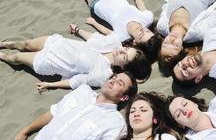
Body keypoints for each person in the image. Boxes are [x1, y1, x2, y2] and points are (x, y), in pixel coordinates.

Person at [0, 72, 138, 140]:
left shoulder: (114, 124)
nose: (113, 80)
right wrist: (26, 130)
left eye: (120, 83)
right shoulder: (82, 91)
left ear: (124, 98)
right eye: (114, 77)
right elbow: (53, 113)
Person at [0, 31, 151, 91]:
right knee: (26, 44)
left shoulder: (102, 74)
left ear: (124, 67)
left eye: (124, 56)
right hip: (57, 43)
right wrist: (78, 30)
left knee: (17, 58)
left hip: (50, 61)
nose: (121, 50)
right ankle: (7, 44)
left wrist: (50, 84)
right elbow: (92, 38)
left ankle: (4, 57)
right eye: (126, 49)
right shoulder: (114, 42)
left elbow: (75, 81)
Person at [72, 0, 161, 63]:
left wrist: (94, 23)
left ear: (135, 42)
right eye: (147, 31)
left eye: (141, 34)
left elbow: (106, 31)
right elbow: (142, 7)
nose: (143, 29)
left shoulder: (121, 37)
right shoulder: (148, 19)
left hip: (99, 6)